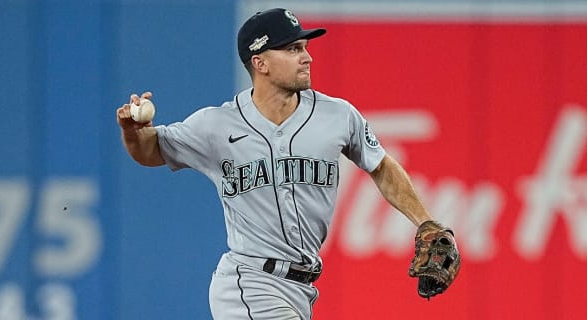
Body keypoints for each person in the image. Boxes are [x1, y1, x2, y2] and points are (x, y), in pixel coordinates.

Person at [116, 8, 456, 319]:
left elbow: (380, 166)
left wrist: (424, 221)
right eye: (292, 49)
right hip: (249, 284)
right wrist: (134, 132)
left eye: (304, 48)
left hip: (302, 289)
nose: (306, 57)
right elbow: (152, 150)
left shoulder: (337, 116)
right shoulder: (216, 125)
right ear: (260, 62)